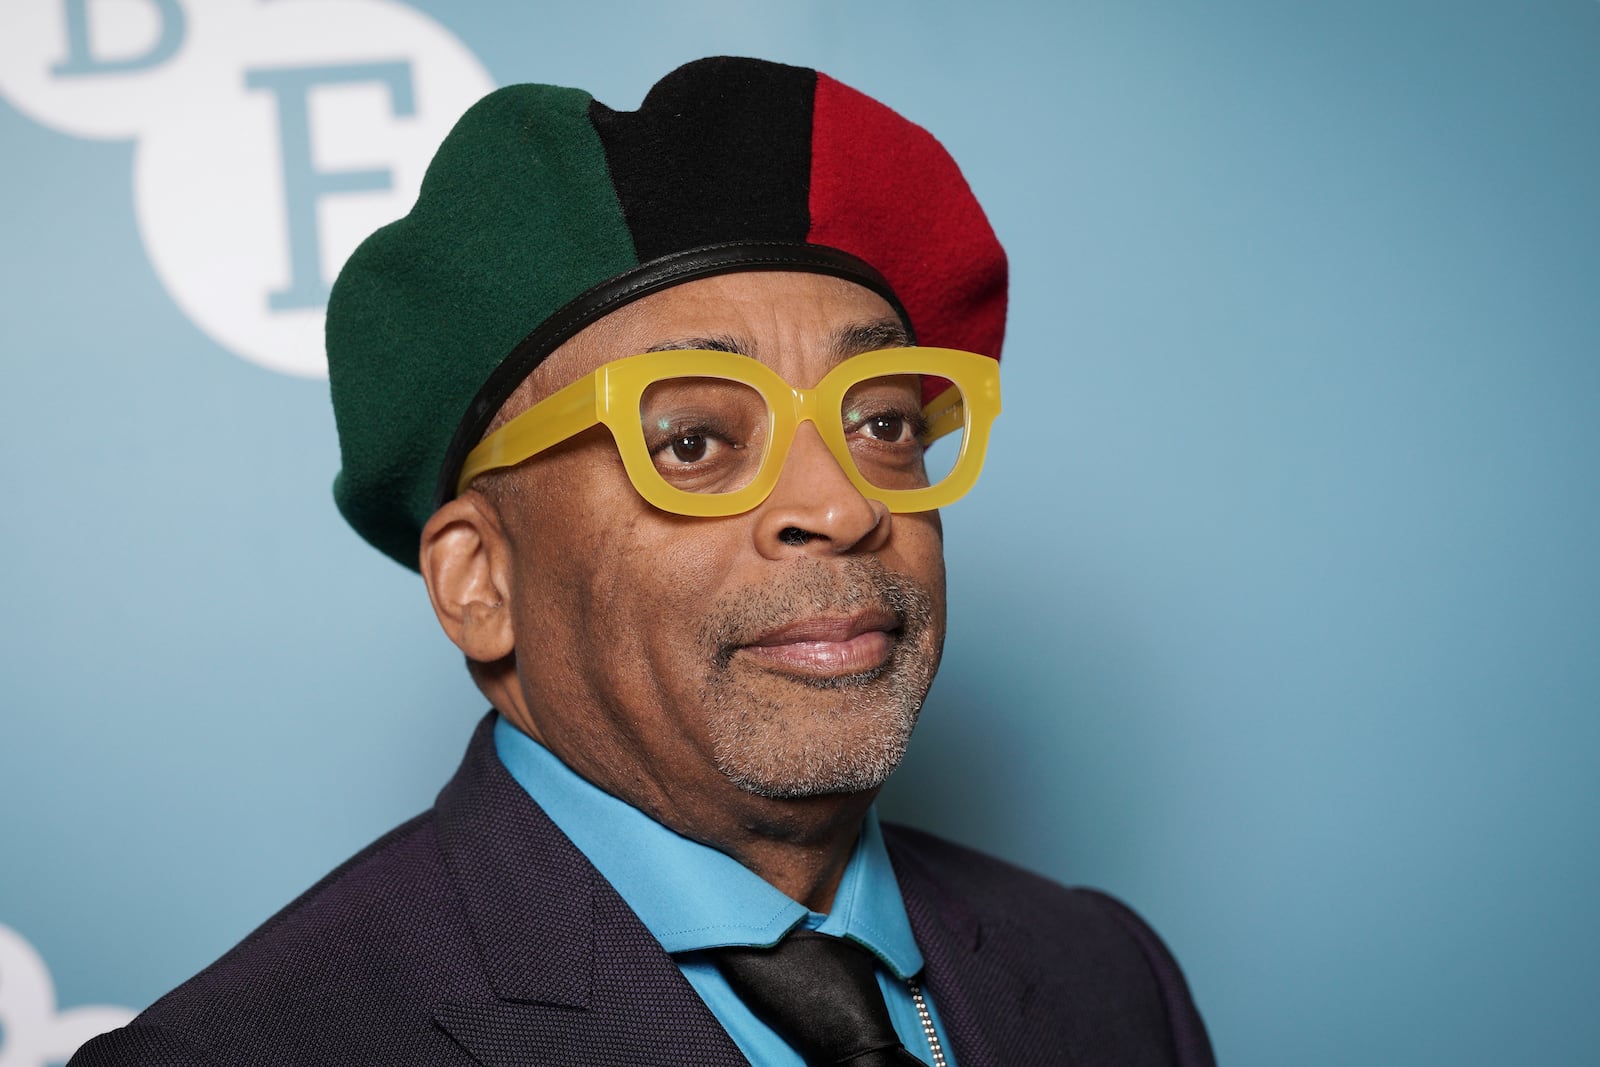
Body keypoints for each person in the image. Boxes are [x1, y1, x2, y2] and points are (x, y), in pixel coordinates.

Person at [72, 57, 1214, 1067]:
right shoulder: (251, 1048)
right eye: (694, 441)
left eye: (882, 424)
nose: (839, 502)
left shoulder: (1105, 972)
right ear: (480, 579)